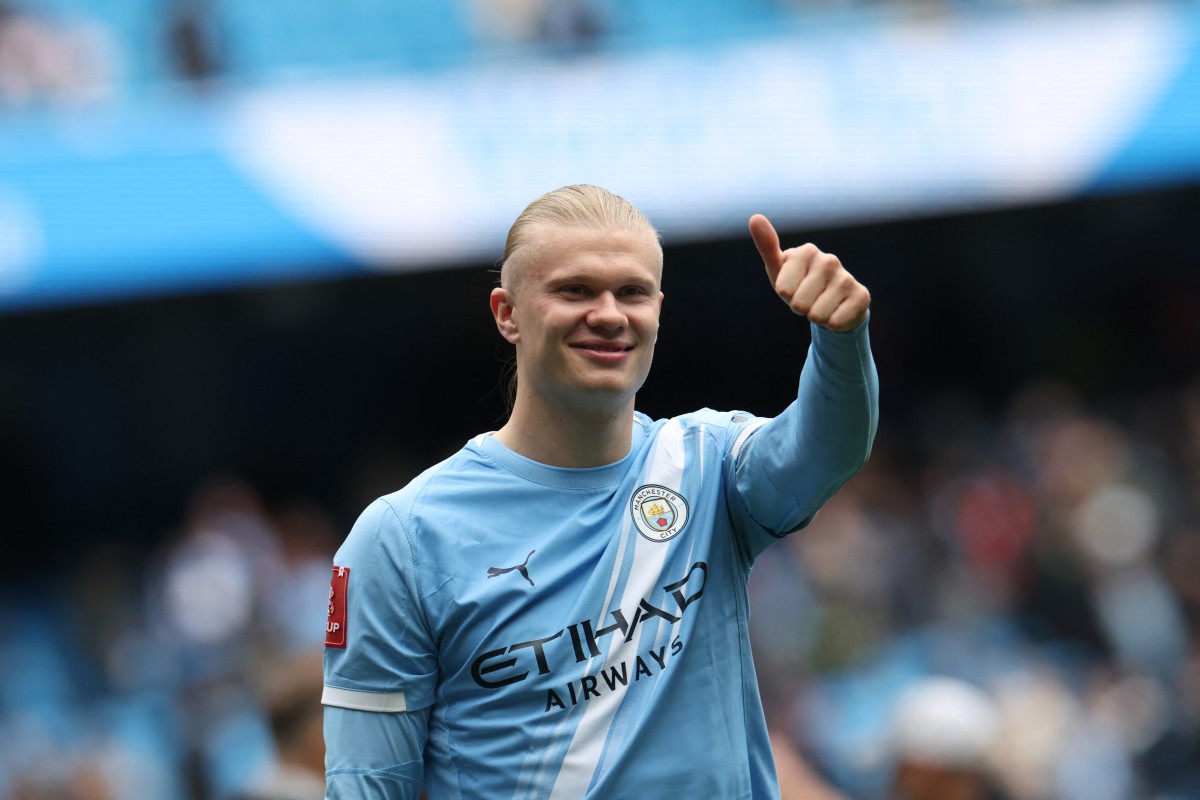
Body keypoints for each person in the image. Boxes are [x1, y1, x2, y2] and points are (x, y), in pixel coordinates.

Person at [321, 184, 879, 798]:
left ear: (658, 310)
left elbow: (827, 451)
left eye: (632, 292)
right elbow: (367, 785)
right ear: (507, 313)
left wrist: (841, 337)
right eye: (575, 290)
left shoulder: (706, 462)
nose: (610, 314)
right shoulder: (401, 539)